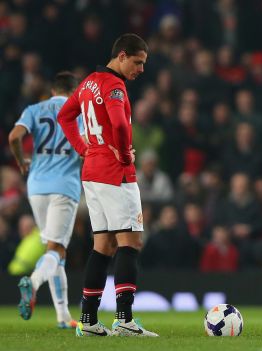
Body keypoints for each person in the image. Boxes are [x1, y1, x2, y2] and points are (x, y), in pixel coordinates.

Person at [57, 33, 157, 337]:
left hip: (92, 171)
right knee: (130, 243)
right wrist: (126, 153)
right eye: (138, 62)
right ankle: (124, 319)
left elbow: (65, 115)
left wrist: (82, 147)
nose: (141, 69)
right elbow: (120, 124)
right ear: (123, 55)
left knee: (103, 246)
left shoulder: (88, 83)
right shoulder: (114, 85)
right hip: (116, 172)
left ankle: (88, 321)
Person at [9, 72, 81, 329]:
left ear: (53, 90)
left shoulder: (34, 109)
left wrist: (20, 161)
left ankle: (62, 316)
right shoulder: (78, 112)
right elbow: (87, 148)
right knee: (56, 249)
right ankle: (34, 281)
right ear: (74, 92)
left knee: (55, 251)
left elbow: (14, 137)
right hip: (64, 186)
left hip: (36, 186)